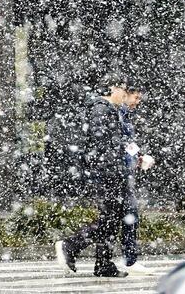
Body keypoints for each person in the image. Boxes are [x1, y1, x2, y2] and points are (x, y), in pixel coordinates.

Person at [55, 77, 130, 278]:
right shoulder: (101, 109)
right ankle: (71, 245)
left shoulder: (107, 110)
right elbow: (101, 146)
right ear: (113, 89)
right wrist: (112, 169)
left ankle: (104, 263)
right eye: (124, 89)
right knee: (108, 219)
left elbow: (109, 144)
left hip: (109, 172)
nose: (126, 94)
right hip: (106, 174)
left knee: (112, 220)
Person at [116, 86, 155, 274]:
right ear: (125, 94)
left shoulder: (123, 114)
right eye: (135, 97)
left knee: (122, 217)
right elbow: (122, 142)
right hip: (121, 173)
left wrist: (137, 158)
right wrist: (133, 158)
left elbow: (125, 143)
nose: (137, 102)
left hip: (124, 170)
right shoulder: (119, 114)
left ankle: (129, 259)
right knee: (127, 216)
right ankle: (71, 245)